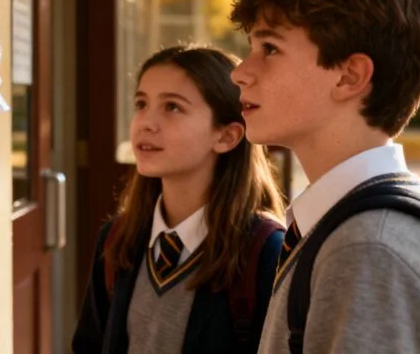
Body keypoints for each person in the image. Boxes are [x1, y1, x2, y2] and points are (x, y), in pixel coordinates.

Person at [229, 0, 420, 353]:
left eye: (269, 48)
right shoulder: (347, 228)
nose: (239, 72)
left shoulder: (368, 251)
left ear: (350, 76)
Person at [73, 45, 286, 353]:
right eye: (141, 104)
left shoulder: (265, 252)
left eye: (172, 107)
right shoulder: (118, 238)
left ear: (227, 136)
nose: (146, 122)